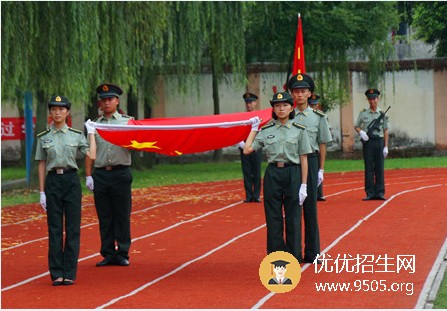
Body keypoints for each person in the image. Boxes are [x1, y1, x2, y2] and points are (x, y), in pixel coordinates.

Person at [244, 92, 312, 262]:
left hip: (293, 173)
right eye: (277, 105)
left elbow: (304, 158)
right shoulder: (267, 130)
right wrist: (254, 130)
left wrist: (304, 185)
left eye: (285, 105)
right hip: (273, 173)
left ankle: (293, 256)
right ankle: (276, 256)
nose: (281, 109)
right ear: (273, 109)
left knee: (293, 217)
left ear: (291, 108)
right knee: (273, 217)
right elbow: (247, 150)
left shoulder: (299, 130)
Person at [35, 95, 96, 286]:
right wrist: (42, 192)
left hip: (71, 181)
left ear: (67, 112)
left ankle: (69, 272)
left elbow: (92, 154)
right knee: (54, 229)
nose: (57, 112)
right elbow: (42, 164)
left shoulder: (76, 135)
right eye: (54, 109)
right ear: (50, 113)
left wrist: (92, 133)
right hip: (53, 181)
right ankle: (56, 273)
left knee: (72, 228)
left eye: (61, 109)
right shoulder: (43, 137)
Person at [85, 83, 134, 267]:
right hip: (101, 175)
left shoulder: (128, 122)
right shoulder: (94, 124)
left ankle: (122, 252)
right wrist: (88, 175)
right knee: (105, 216)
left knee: (121, 215)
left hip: (121, 173)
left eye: (110, 99)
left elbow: (135, 145)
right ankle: (108, 253)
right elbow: (89, 151)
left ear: (117, 101)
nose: (107, 103)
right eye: (103, 100)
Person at [288, 73, 332, 264]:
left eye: (303, 91)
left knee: (310, 209)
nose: (299, 95)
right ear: (291, 94)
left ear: (309, 94)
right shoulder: (286, 115)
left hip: (312, 162)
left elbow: (322, 143)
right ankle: (294, 253)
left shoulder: (318, 117)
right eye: (296, 91)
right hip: (293, 164)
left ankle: (313, 252)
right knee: (293, 208)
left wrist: (321, 169)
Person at [354, 88, 389, 201]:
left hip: (379, 142)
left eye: (374, 98)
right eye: (370, 99)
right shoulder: (363, 113)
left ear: (377, 99)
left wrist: (386, 146)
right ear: (368, 100)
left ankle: (380, 192)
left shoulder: (382, 114)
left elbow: (386, 130)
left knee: (379, 168)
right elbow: (357, 126)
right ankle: (369, 192)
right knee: (369, 168)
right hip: (368, 142)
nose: (372, 101)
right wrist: (361, 132)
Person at [238, 92, 262, 203]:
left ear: (255, 103)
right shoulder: (242, 117)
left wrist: (256, 145)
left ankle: (256, 195)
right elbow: (237, 132)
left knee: (256, 172)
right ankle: (248, 195)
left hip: (255, 148)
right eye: (247, 103)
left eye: (251, 102)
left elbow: (261, 133)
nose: (249, 105)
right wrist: (241, 144)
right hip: (244, 147)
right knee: (247, 172)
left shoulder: (260, 117)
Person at [308, 94, 326, 201]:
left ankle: (319, 193)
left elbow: (323, 138)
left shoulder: (321, 117)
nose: (313, 106)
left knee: (318, 171)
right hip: (307, 150)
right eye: (311, 104)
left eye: (314, 104)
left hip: (317, 148)